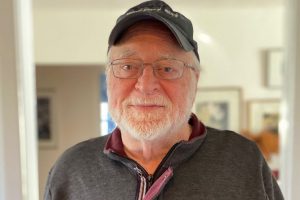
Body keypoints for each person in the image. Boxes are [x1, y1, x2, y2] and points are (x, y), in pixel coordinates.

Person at [44, 1, 284, 200]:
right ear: (109, 78)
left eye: (168, 68)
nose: (146, 85)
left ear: (195, 80)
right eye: (127, 66)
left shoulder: (242, 160)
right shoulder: (71, 169)